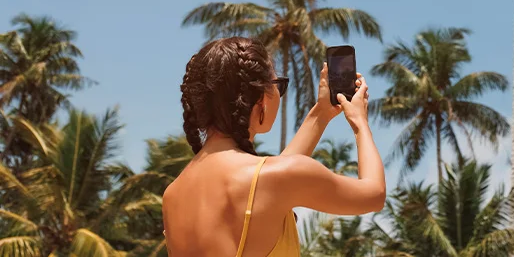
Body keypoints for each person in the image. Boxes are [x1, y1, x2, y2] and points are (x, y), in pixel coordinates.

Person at [162, 37, 385, 256]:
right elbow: (374, 194)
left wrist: (322, 112)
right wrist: (359, 122)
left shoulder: (172, 195)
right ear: (262, 98)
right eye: (279, 84)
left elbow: (274, 179)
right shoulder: (273, 179)